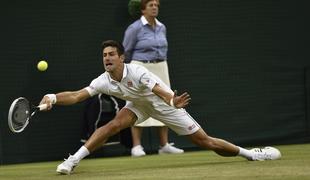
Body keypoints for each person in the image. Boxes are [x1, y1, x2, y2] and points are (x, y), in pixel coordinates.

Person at [40, 40, 281, 175]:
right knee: (113, 124)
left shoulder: (138, 71)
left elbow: (160, 91)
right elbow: (76, 95)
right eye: (104, 55)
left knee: (205, 142)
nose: (107, 58)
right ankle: (73, 160)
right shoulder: (103, 79)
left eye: (112, 54)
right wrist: (52, 97)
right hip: (137, 105)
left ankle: (251, 154)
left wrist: (172, 101)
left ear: (122, 57)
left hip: (162, 104)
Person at [123, 0, 183, 157]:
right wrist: (132, 71)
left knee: (166, 102)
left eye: (156, 5)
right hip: (140, 67)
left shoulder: (162, 27)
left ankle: (164, 145)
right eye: (151, 5)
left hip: (161, 67)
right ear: (143, 10)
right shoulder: (134, 28)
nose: (155, 8)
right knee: (137, 102)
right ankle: (136, 146)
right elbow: (126, 51)